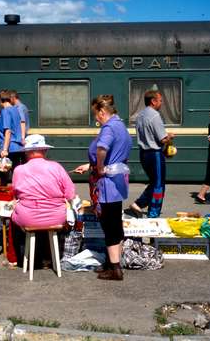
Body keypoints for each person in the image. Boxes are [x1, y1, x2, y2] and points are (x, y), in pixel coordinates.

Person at [74, 95, 132, 281]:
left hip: (107, 184)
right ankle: (111, 262)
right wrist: (89, 165)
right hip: (116, 182)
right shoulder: (121, 126)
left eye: (96, 115)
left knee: (110, 226)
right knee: (115, 223)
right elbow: (113, 155)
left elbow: (102, 149)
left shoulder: (108, 127)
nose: (96, 119)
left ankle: (115, 269)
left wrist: (98, 168)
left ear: (102, 111)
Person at [11, 134, 76, 265]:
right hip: (56, 217)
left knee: (13, 216)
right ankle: (49, 256)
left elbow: (16, 195)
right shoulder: (56, 167)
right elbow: (70, 194)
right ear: (45, 150)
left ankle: (25, 258)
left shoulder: (19, 170)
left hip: (27, 218)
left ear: (27, 152)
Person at [129, 90, 175, 218]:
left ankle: (139, 204)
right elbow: (162, 139)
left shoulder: (140, 116)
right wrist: (170, 136)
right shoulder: (155, 115)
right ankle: (153, 213)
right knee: (159, 185)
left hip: (144, 154)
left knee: (155, 182)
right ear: (153, 101)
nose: (161, 103)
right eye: (160, 100)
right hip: (154, 154)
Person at [0, 90, 24, 187]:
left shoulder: (5, 111)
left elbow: (8, 131)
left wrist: (5, 149)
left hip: (9, 148)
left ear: (0, 100)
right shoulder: (16, 110)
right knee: (16, 175)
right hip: (18, 148)